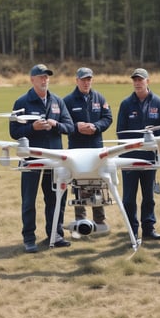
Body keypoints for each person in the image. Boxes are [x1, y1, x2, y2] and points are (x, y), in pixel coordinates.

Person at [9, 64, 74, 253]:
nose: (44, 80)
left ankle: (55, 234)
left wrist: (56, 124)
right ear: (32, 80)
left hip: (54, 158)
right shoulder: (21, 102)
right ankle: (29, 238)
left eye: (47, 77)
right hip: (32, 158)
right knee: (29, 200)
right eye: (41, 77)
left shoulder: (57, 101)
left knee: (55, 198)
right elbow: (13, 131)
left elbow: (69, 126)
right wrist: (32, 128)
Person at [117, 68, 160, 240]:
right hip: (130, 158)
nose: (138, 83)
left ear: (148, 81)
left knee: (149, 196)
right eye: (135, 80)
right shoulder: (126, 104)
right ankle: (132, 230)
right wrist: (138, 140)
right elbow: (120, 132)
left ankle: (149, 229)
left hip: (150, 158)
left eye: (141, 80)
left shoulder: (159, 104)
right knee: (128, 198)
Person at [63, 67, 113, 233]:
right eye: (83, 79)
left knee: (97, 183)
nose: (86, 82)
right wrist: (76, 127)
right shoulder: (68, 101)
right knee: (79, 184)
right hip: (77, 149)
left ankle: (99, 220)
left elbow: (108, 117)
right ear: (76, 80)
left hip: (96, 148)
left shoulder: (99, 98)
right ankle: (81, 219)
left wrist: (96, 127)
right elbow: (64, 124)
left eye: (89, 79)